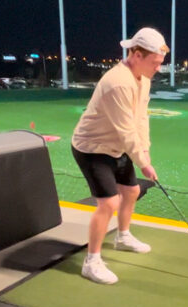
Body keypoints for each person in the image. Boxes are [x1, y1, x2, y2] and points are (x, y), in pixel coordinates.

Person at [71, 26, 169, 284]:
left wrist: (145, 152)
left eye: (160, 63)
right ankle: (91, 262)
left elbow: (140, 119)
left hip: (116, 146)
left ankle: (122, 237)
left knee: (132, 191)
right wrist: (144, 164)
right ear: (136, 55)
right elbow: (126, 130)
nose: (158, 68)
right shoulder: (117, 82)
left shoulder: (143, 79)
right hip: (92, 148)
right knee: (109, 203)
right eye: (155, 63)